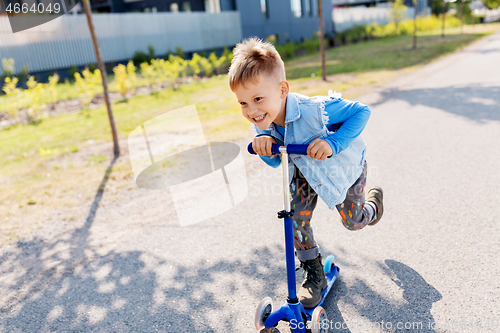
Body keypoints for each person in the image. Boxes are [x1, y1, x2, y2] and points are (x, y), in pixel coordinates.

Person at [228, 37, 384, 308]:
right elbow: (278, 163)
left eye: (257, 99)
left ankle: (372, 206)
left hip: (342, 171)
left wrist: (333, 143)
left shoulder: (316, 110)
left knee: (353, 222)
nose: (251, 111)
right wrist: (265, 149)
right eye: (242, 103)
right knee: (294, 219)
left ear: (282, 89)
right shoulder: (261, 123)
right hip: (303, 173)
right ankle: (314, 274)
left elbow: (362, 111)